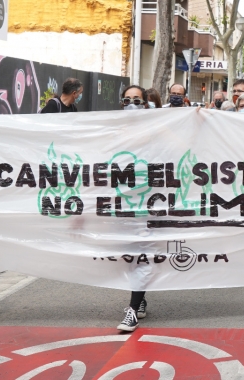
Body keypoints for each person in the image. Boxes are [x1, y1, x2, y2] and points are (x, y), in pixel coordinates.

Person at [116, 85, 150, 332]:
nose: (131, 104)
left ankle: (132, 308)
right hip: (120, 203)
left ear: (146, 104)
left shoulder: (157, 130)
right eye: (127, 100)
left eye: (137, 100)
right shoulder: (112, 131)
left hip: (149, 203)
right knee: (129, 256)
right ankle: (140, 295)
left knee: (142, 254)